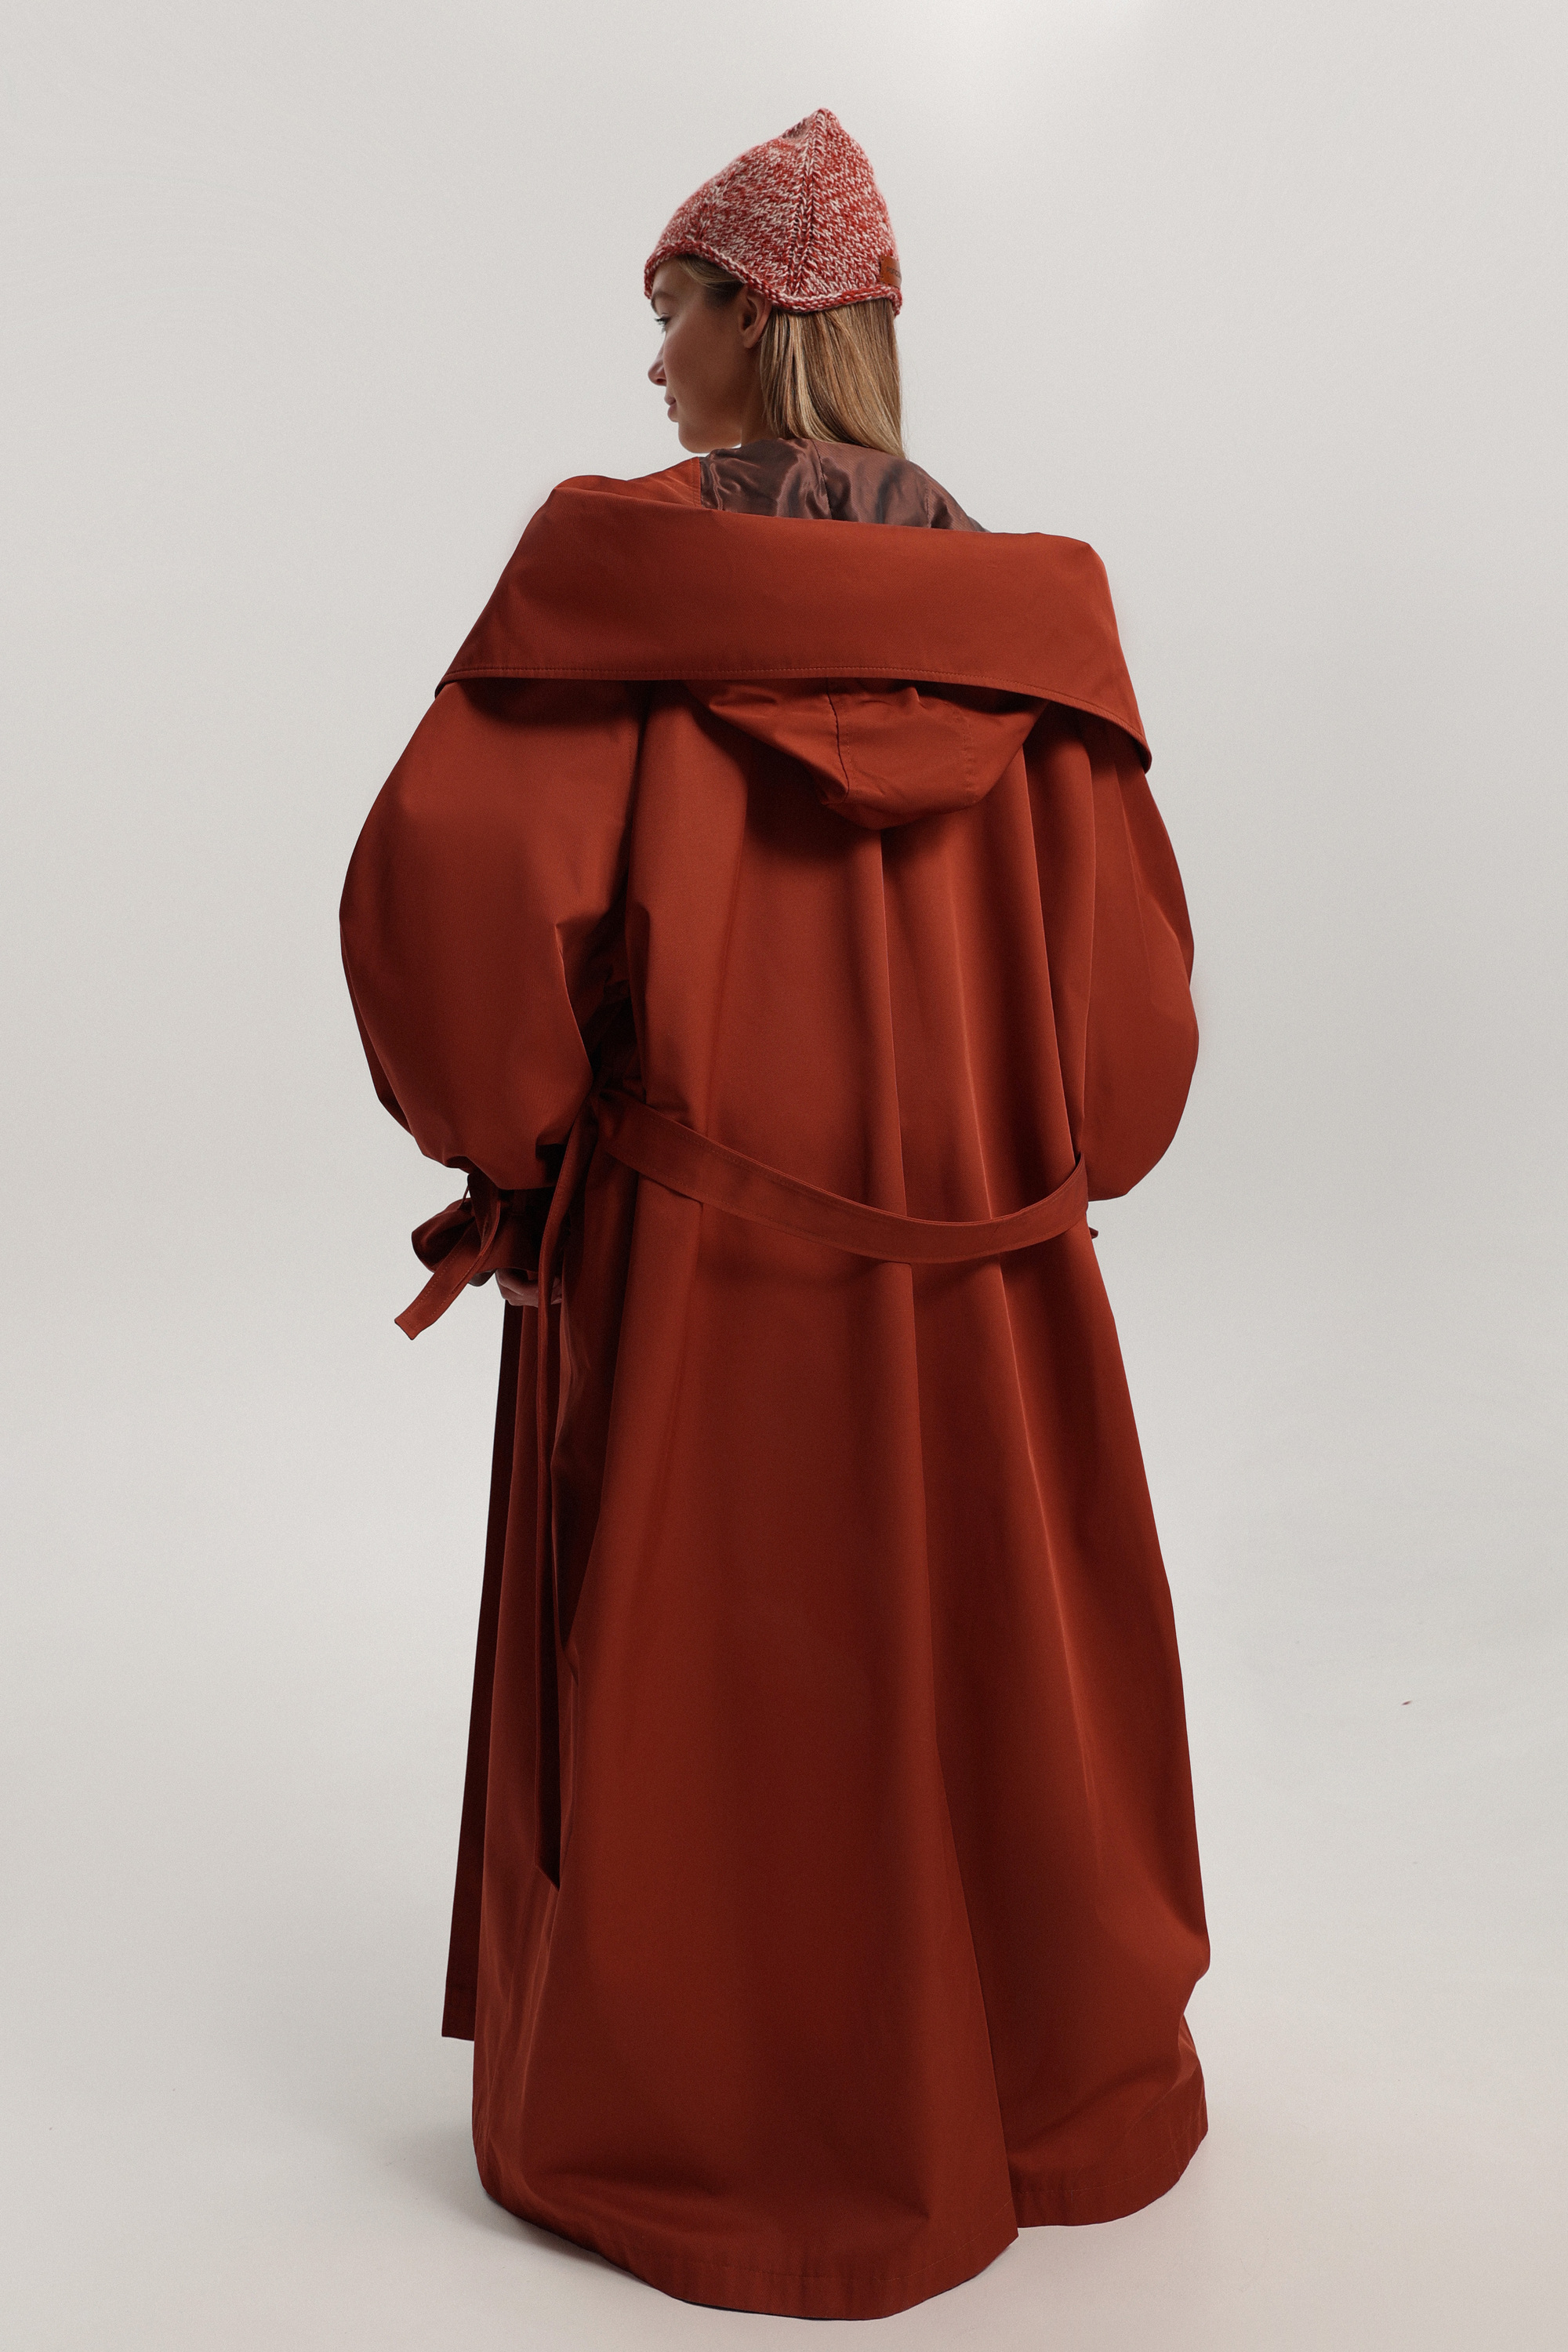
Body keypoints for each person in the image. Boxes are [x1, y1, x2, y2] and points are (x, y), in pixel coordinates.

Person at [340, 106, 1209, 2323]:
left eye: (673, 318)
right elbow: (1127, 1068)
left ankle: (718, 2127)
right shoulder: (1034, 642)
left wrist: (520, 1157)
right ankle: (1028, 2096)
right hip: (989, 1299)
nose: (652, 372)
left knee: (709, 1692)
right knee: (990, 1667)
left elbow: (446, 918)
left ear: (758, 320)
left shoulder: (608, 602)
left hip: (698, 1285)